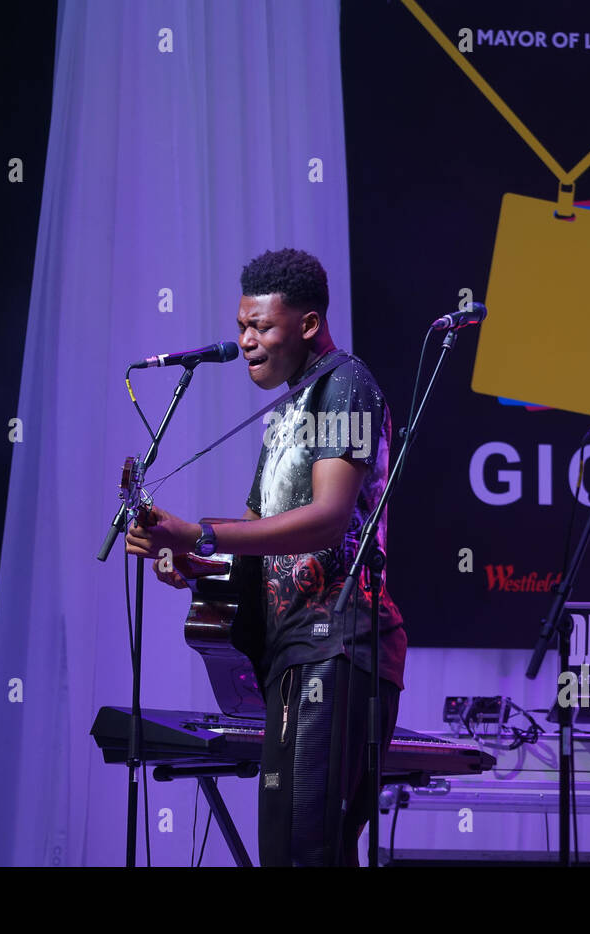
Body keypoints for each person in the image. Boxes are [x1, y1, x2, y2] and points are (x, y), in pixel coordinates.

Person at [125, 248, 407, 866]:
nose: (246, 341)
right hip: (295, 652)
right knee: (290, 853)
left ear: (307, 324)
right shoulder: (285, 412)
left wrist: (200, 535)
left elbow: (330, 518)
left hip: (338, 642)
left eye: (261, 327)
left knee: (304, 853)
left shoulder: (346, 384)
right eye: (241, 327)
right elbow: (257, 534)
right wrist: (189, 553)